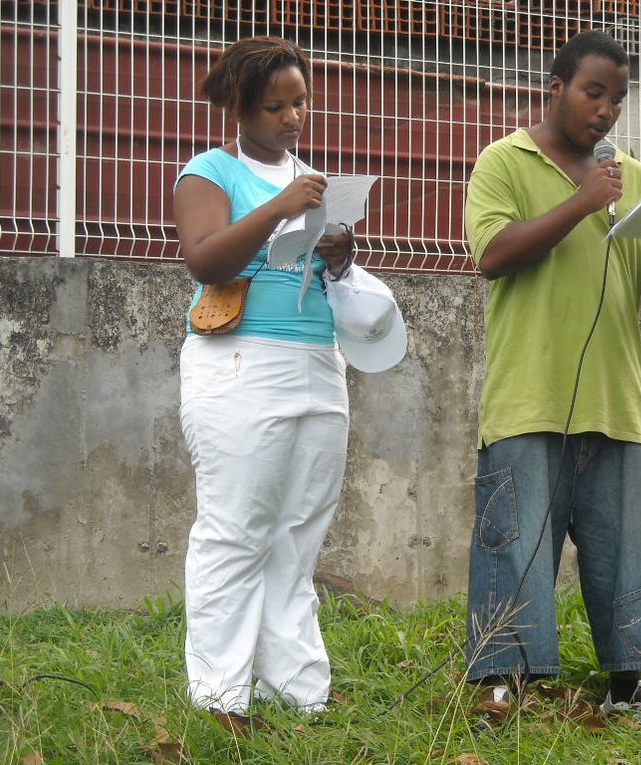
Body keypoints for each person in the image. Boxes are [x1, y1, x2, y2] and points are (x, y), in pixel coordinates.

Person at [463, 30, 641, 723]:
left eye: (618, 99)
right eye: (595, 92)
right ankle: (507, 682)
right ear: (556, 87)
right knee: (517, 545)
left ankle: (627, 685)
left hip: (614, 401)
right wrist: (581, 203)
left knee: (622, 553)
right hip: (529, 399)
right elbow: (494, 254)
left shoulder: (634, 178)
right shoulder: (504, 162)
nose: (607, 110)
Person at [173, 36, 404, 715]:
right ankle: (220, 697)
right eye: (275, 106)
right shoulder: (209, 171)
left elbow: (320, 272)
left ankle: (299, 694)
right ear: (241, 108)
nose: (292, 117)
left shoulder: (312, 179)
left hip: (317, 362)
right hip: (239, 362)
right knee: (235, 529)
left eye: (300, 102)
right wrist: (279, 209)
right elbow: (206, 261)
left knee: (299, 533)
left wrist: (338, 249)